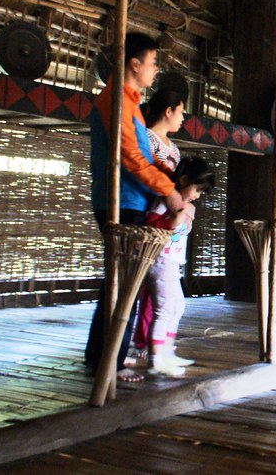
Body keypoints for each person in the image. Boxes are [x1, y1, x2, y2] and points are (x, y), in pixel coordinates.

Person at [85, 32, 184, 383]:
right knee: (122, 283)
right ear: (135, 63)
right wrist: (170, 191)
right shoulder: (116, 102)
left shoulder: (130, 103)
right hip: (121, 201)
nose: (156, 70)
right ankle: (107, 362)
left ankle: (102, 355)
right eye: (153, 63)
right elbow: (130, 158)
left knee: (120, 280)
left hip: (131, 199)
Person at [130, 88, 187, 365]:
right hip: (148, 215)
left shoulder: (174, 149)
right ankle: (140, 341)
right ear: (169, 110)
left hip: (166, 219)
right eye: (181, 112)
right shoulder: (148, 140)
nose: (183, 118)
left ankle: (155, 343)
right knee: (142, 285)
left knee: (158, 291)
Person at [145, 156, 215, 377]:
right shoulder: (163, 202)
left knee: (177, 307)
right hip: (160, 260)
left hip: (172, 262)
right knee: (164, 309)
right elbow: (152, 226)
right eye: (197, 189)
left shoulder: (185, 207)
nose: (197, 195)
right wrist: (174, 220)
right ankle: (155, 359)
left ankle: (167, 352)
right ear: (183, 180)